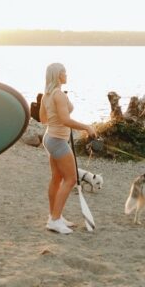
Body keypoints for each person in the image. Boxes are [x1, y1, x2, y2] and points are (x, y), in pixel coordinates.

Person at [38, 62, 96, 234]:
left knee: (56, 178)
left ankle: (54, 216)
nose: (67, 75)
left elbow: (43, 119)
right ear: (58, 75)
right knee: (70, 179)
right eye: (64, 72)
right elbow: (64, 120)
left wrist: (56, 115)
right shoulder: (58, 95)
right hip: (57, 141)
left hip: (50, 138)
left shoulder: (46, 95)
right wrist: (87, 127)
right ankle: (55, 221)